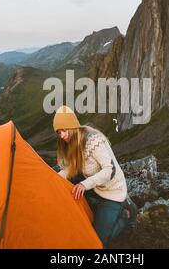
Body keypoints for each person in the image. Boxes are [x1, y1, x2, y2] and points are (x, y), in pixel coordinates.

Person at [52, 105, 137, 247]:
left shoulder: (92, 141)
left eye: (64, 130)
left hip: (112, 192)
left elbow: (110, 170)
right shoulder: (71, 143)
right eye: (59, 132)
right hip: (95, 188)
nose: (62, 135)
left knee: (97, 242)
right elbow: (69, 168)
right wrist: (53, 180)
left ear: (73, 127)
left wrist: (85, 184)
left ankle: (125, 215)